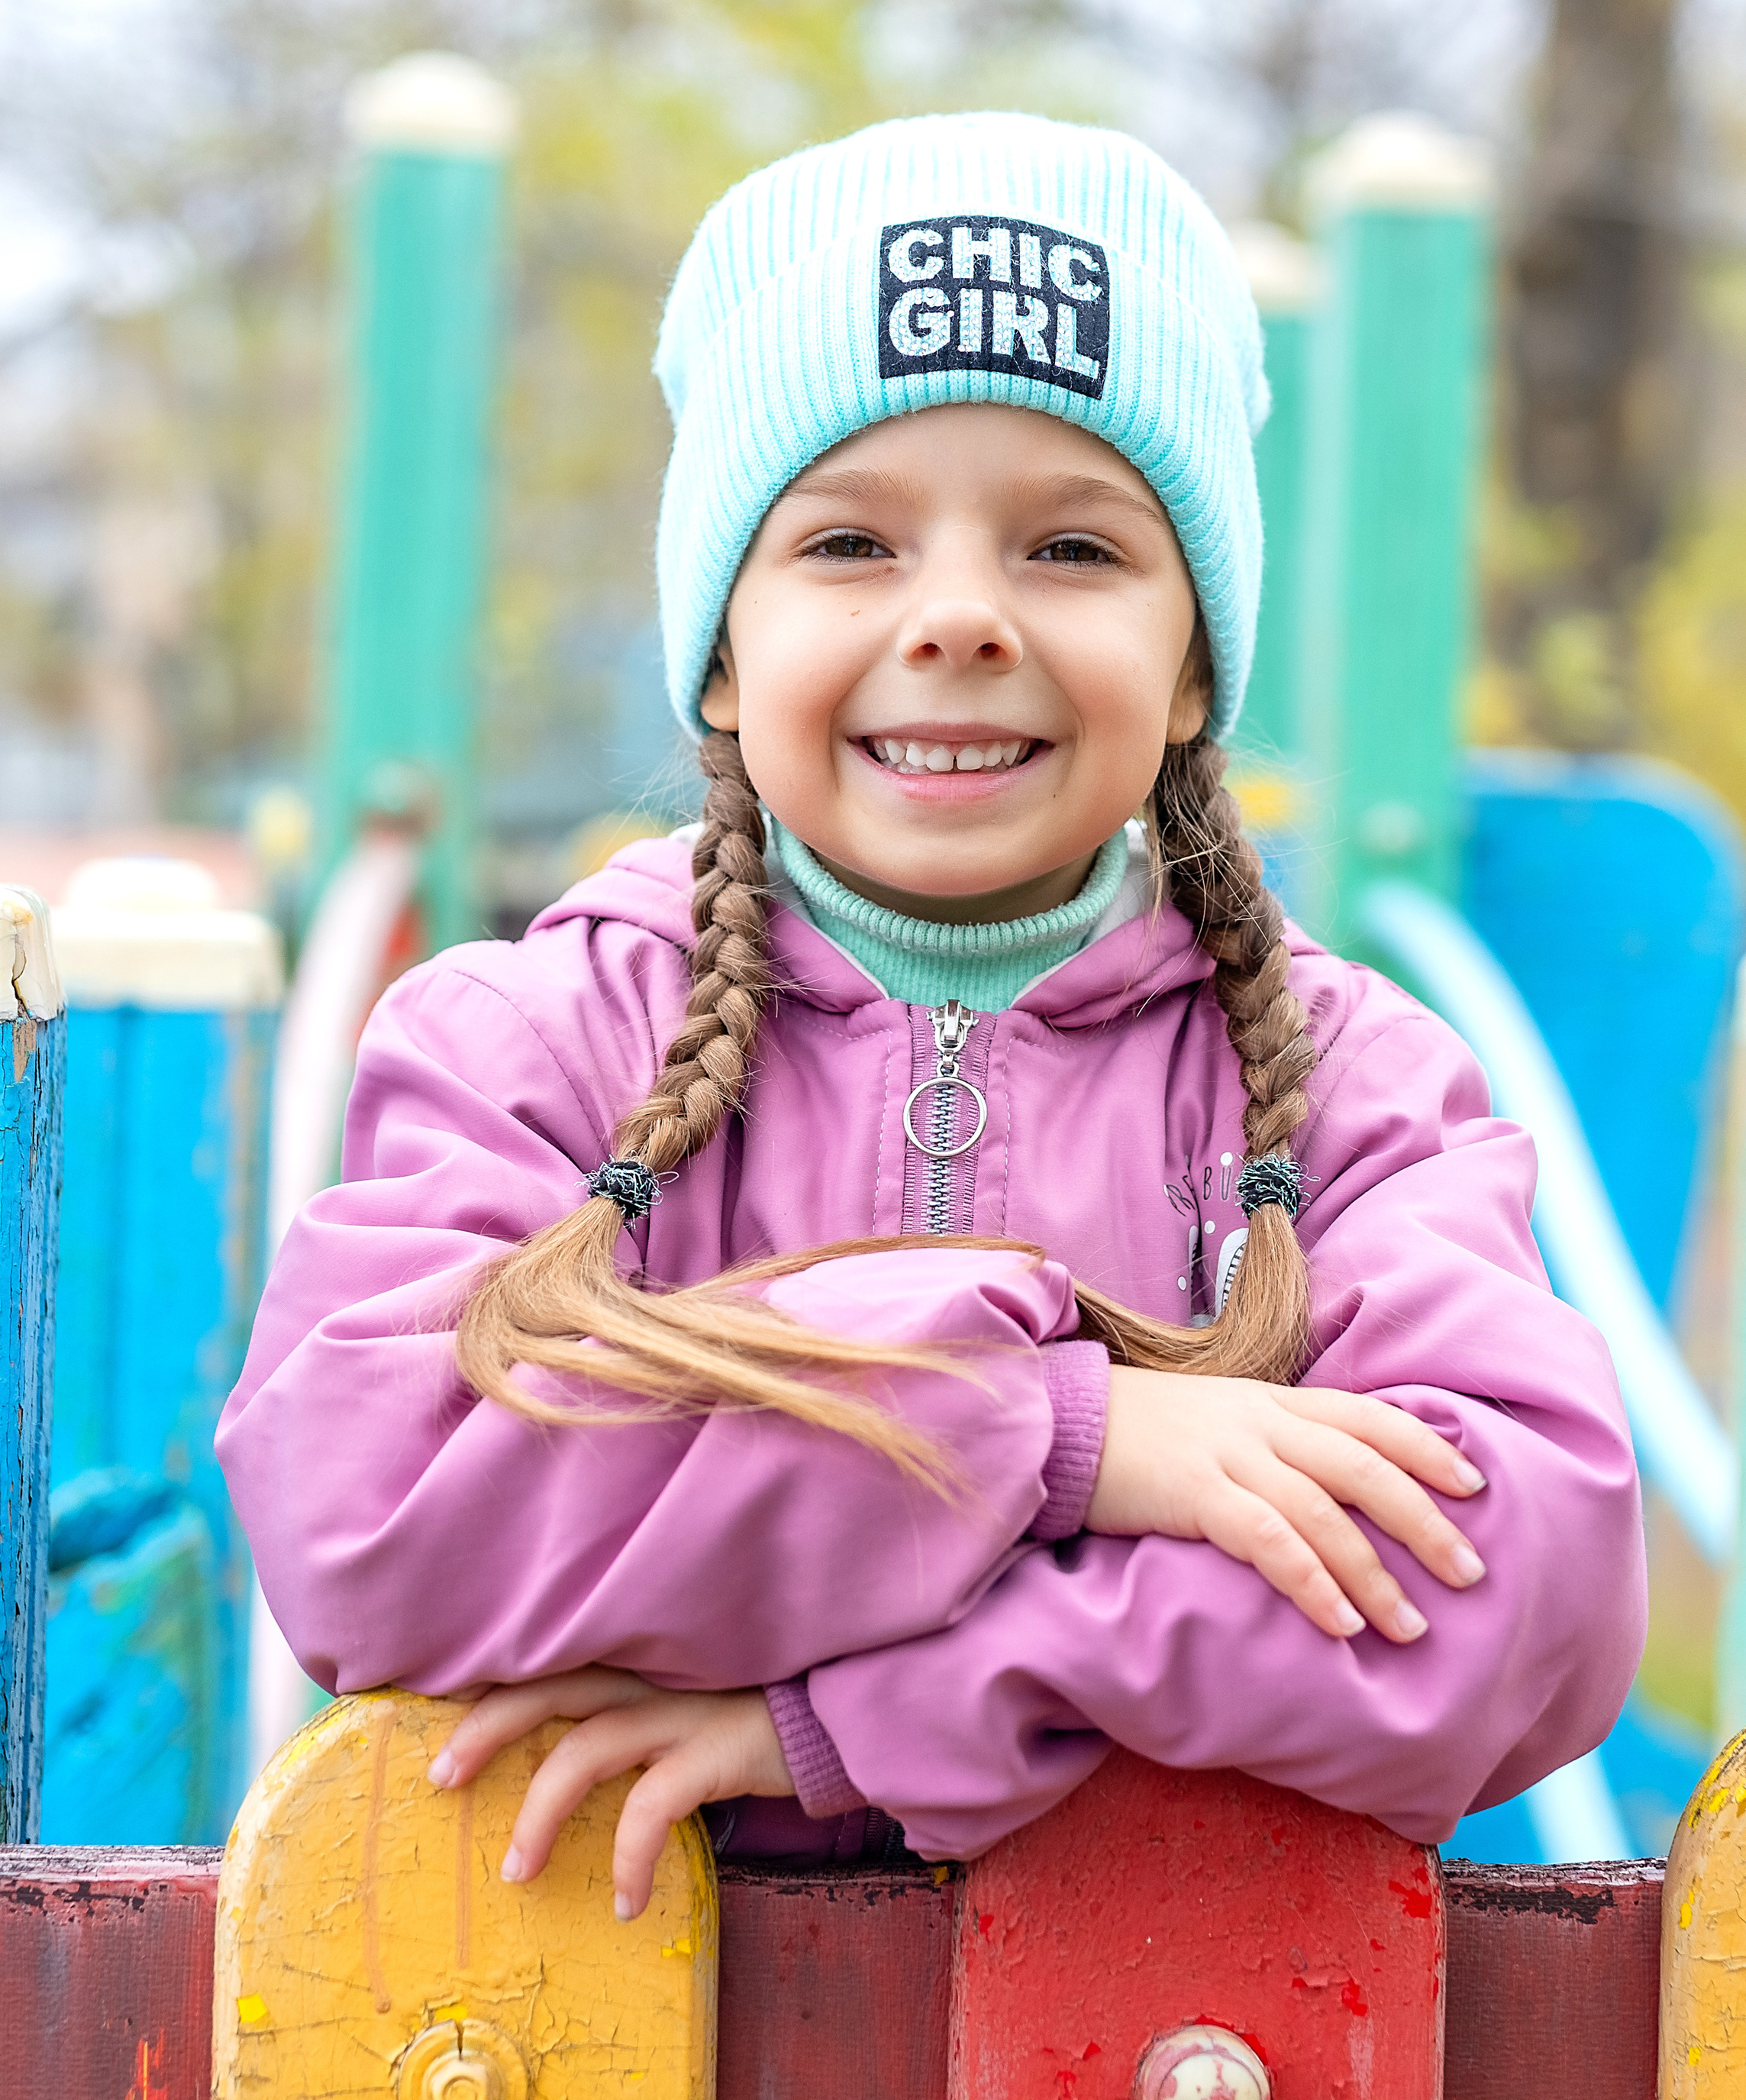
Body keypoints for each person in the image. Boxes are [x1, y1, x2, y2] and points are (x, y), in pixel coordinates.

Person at [218, 113, 1644, 1923]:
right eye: (847, 542)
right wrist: (1065, 1439)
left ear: (1195, 652)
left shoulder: (1346, 1090)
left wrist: (862, 1711)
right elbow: (372, 1505)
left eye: (1067, 547)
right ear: (721, 644)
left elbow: (1517, 1586)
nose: (959, 615)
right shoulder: (543, 1040)